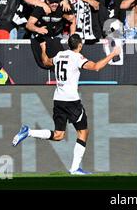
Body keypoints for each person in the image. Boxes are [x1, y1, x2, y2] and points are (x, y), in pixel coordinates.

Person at [12, 33, 121, 175]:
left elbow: (45, 62)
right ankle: (75, 169)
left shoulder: (59, 55)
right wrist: (113, 54)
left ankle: (28, 132)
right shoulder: (77, 57)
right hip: (71, 101)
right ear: (80, 45)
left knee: (58, 135)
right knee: (83, 132)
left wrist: (43, 48)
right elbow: (96, 67)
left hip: (58, 100)